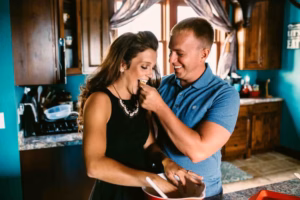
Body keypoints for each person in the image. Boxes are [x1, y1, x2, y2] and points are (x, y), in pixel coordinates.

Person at [78, 31, 201, 200]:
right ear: (122, 64)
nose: (149, 74)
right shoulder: (100, 101)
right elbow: (94, 166)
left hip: (142, 194)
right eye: (144, 66)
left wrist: (167, 163)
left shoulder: (141, 100)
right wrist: (154, 180)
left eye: (152, 67)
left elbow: (149, 147)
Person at [139, 18, 240, 199]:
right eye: (170, 51)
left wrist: (159, 106)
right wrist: (165, 161)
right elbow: (150, 142)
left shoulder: (225, 95)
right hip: (161, 190)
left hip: (204, 194)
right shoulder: (162, 86)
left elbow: (197, 152)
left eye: (180, 53)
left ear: (204, 54)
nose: (171, 60)